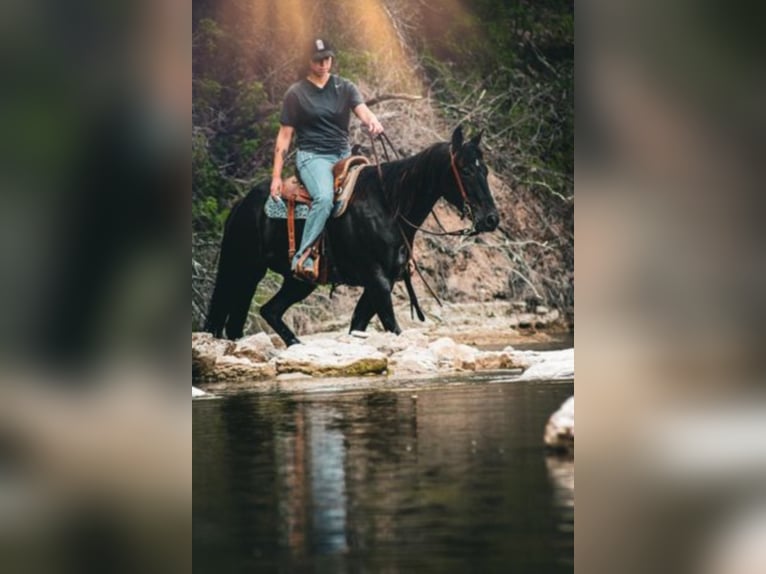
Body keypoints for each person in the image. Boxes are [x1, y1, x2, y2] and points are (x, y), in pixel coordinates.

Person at [270, 37, 384, 275]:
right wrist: (276, 177)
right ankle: (304, 257)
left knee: (376, 192)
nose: (323, 64)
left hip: (344, 156)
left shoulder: (345, 87)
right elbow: (284, 136)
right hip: (313, 157)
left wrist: (373, 122)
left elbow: (363, 111)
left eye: (327, 59)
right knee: (323, 198)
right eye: (318, 60)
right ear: (309, 61)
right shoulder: (297, 93)